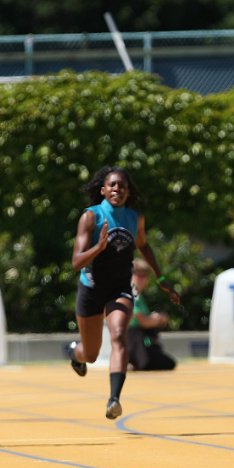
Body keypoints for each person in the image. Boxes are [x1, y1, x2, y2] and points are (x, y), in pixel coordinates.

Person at [66, 166, 179, 420]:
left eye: (122, 186)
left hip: (119, 288)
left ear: (128, 192)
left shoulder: (134, 217)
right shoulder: (91, 217)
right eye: (113, 185)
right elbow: (76, 262)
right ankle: (75, 353)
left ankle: (114, 399)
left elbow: (143, 245)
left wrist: (161, 278)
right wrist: (99, 247)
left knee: (118, 334)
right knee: (91, 354)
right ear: (103, 190)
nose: (117, 189)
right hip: (92, 288)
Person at [128, 258, 177, 371]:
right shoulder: (132, 293)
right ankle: (132, 360)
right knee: (166, 363)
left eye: (144, 276)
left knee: (167, 362)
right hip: (133, 339)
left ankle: (132, 361)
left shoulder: (138, 295)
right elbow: (141, 320)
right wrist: (158, 320)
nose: (142, 279)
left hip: (136, 339)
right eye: (138, 275)